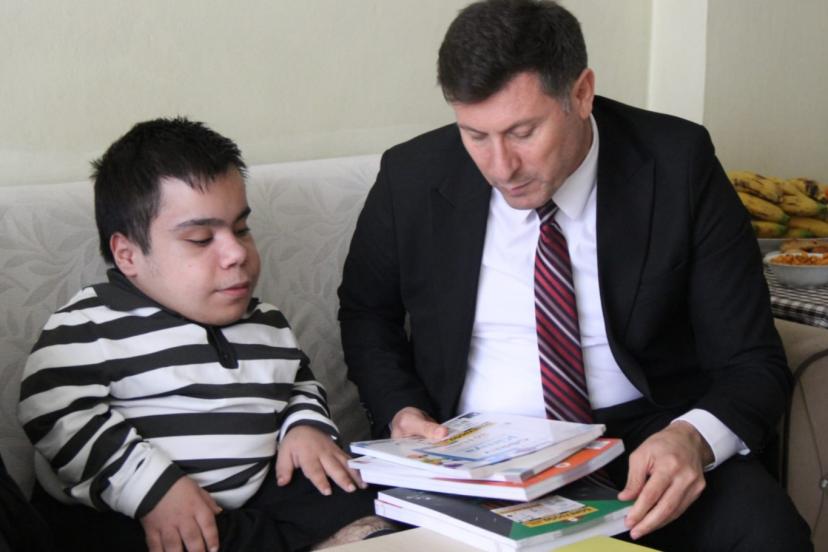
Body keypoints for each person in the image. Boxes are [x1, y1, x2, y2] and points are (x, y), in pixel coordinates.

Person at [337, 1, 812, 550]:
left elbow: (751, 359)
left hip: (645, 436)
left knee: (766, 531)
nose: (500, 168)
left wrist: (693, 438)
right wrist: (401, 409)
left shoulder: (677, 163)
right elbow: (366, 313)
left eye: (522, 132)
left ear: (582, 93)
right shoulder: (412, 176)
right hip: (474, 453)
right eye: (475, 135)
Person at [18, 117, 391, 552]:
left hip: (254, 491)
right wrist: (152, 490)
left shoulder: (266, 322)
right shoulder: (91, 324)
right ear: (128, 254)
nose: (236, 253)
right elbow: (52, 410)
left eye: (241, 229)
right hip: (140, 510)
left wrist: (305, 427)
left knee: (357, 490)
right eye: (200, 238)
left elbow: (297, 386)